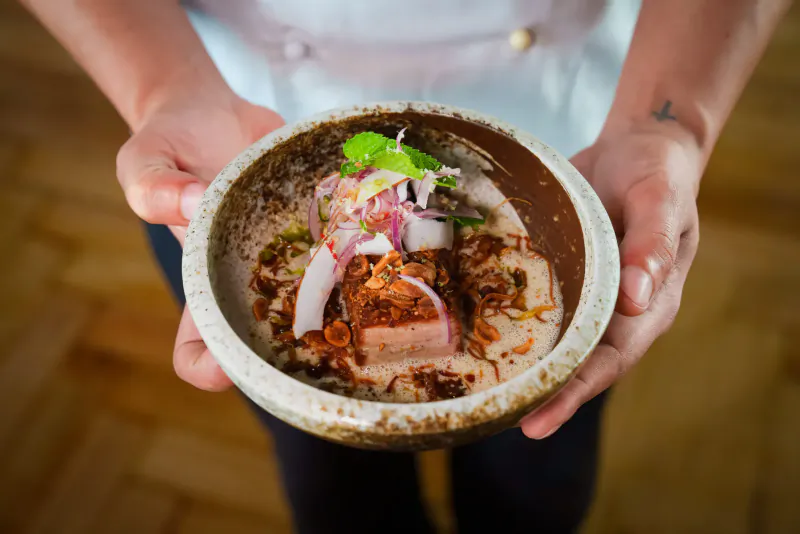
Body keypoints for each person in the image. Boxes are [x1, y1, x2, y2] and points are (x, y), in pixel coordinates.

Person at [20, 0, 790, 532]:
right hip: (236, 132)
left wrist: (671, 123)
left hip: (578, 156)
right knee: (337, 501)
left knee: (540, 489)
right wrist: (164, 89)